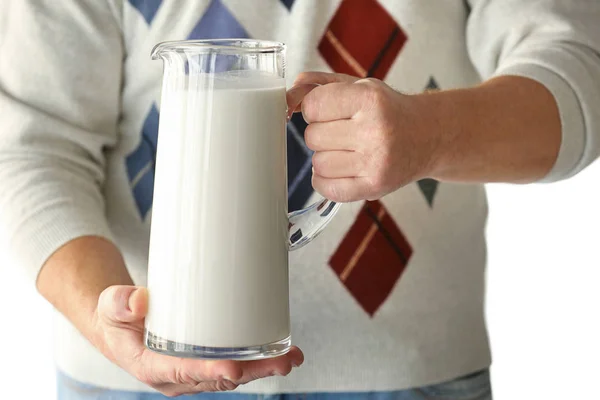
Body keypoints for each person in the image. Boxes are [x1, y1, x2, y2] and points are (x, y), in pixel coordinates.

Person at [1, 0, 599, 399]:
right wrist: (110, 322)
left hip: (414, 374)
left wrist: (431, 131)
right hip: (125, 375)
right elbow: (30, 143)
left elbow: (581, 73)